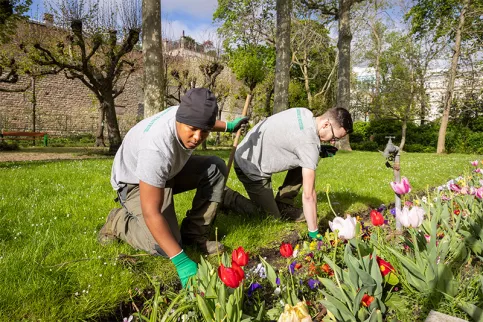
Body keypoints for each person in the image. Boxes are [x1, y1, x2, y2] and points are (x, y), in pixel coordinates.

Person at [97, 88, 249, 287]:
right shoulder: (156, 148)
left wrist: (229, 126)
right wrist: (181, 261)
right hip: (133, 183)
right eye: (192, 129)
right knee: (163, 245)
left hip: (167, 172)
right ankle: (116, 221)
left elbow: (205, 122)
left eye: (204, 131)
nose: (197, 137)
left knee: (215, 168)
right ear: (179, 119)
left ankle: (195, 234)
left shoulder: (187, 112)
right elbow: (151, 212)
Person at [231, 107, 353, 239]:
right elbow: (309, 196)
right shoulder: (309, 144)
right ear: (326, 124)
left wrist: (317, 150)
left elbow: (292, 136)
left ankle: (284, 203)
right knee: (271, 218)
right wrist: (313, 232)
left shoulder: (305, 113)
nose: (333, 141)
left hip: (252, 148)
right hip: (249, 166)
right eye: (334, 137)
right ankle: (228, 198)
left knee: (308, 159)